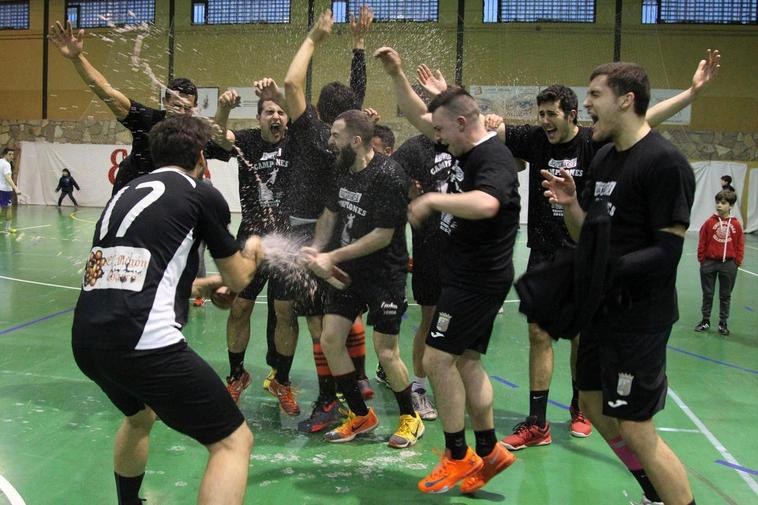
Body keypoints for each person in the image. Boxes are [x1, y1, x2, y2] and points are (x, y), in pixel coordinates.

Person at [479, 50, 721, 452]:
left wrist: (691, 94)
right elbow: (489, 135)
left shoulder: (598, 144)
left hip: (589, 257)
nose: (544, 121)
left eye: (551, 113)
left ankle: (578, 409)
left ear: (571, 113)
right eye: (539, 114)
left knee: (581, 346)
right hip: (550, 254)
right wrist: (484, 118)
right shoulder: (537, 141)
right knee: (539, 334)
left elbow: (644, 122)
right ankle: (537, 421)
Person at [71, 115, 263, 505]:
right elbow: (241, 278)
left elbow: (130, 274)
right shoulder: (201, 192)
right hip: (144, 341)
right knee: (233, 441)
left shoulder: (123, 194)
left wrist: (205, 286)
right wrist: (255, 248)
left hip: (87, 340)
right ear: (201, 158)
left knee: (139, 416)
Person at [542, 62, 697, 505]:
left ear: (626, 99)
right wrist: (572, 205)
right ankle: (654, 491)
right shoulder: (606, 158)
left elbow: (668, 250)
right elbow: (587, 231)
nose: (586, 104)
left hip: (639, 318)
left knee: (636, 426)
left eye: (594, 95)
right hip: (600, 311)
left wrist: (608, 269)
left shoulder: (664, 163)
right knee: (592, 403)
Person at [301, 109, 423, 448]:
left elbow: (383, 236)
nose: (330, 141)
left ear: (356, 140)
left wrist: (332, 257)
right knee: (330, 340)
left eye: (336, 135)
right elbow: (330, 213)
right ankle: (360, 415)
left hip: (384, 274)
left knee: (386, 352)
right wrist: (316, 248)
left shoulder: (389, 175)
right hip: (349, 274)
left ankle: (409, 417)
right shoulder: (341, 170)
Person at [284, 7, 376, 432]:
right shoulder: (347, 140)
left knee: (319, 323)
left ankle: (328, 399)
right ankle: (354, 378)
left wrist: (315, 38)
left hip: (309, 233)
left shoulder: (314, 134)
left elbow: (290, 83)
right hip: (343, 231)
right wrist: (359, 45)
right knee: (343, 313)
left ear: (320, 113)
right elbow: (355, 98)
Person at [49, 20, 198, 194]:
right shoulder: (148, 120)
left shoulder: (197, 134)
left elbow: (225, 142)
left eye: (187, 108)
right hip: (130, 195)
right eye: (176, 106)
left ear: (195, 108)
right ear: (165, 103)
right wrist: (77, 57)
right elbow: (105, 91)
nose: (181, 113)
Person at [695, 189, 744, 336]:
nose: (719, 205)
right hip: (709, 263)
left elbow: (740, 244)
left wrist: (737, 261)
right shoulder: (709, 223)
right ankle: (705, 320)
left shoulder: (736, 224)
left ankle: (723, 323)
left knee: (725, 295)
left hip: (729, 265)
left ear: (731, 206)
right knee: (708, 294)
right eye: (717, 202)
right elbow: (702, 241)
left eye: (723, 203)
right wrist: (702, 260)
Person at [0, 147, 21, 234]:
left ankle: (7, 228)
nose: (12, 156)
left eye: (13, 154)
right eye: (10, 154)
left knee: (3, 207)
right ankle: (7, 228)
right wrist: (16, 188)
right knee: (8, 208)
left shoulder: (0, 161)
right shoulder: (6, 164)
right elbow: (8, 177)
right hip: (5, 190)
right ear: (5, 154)